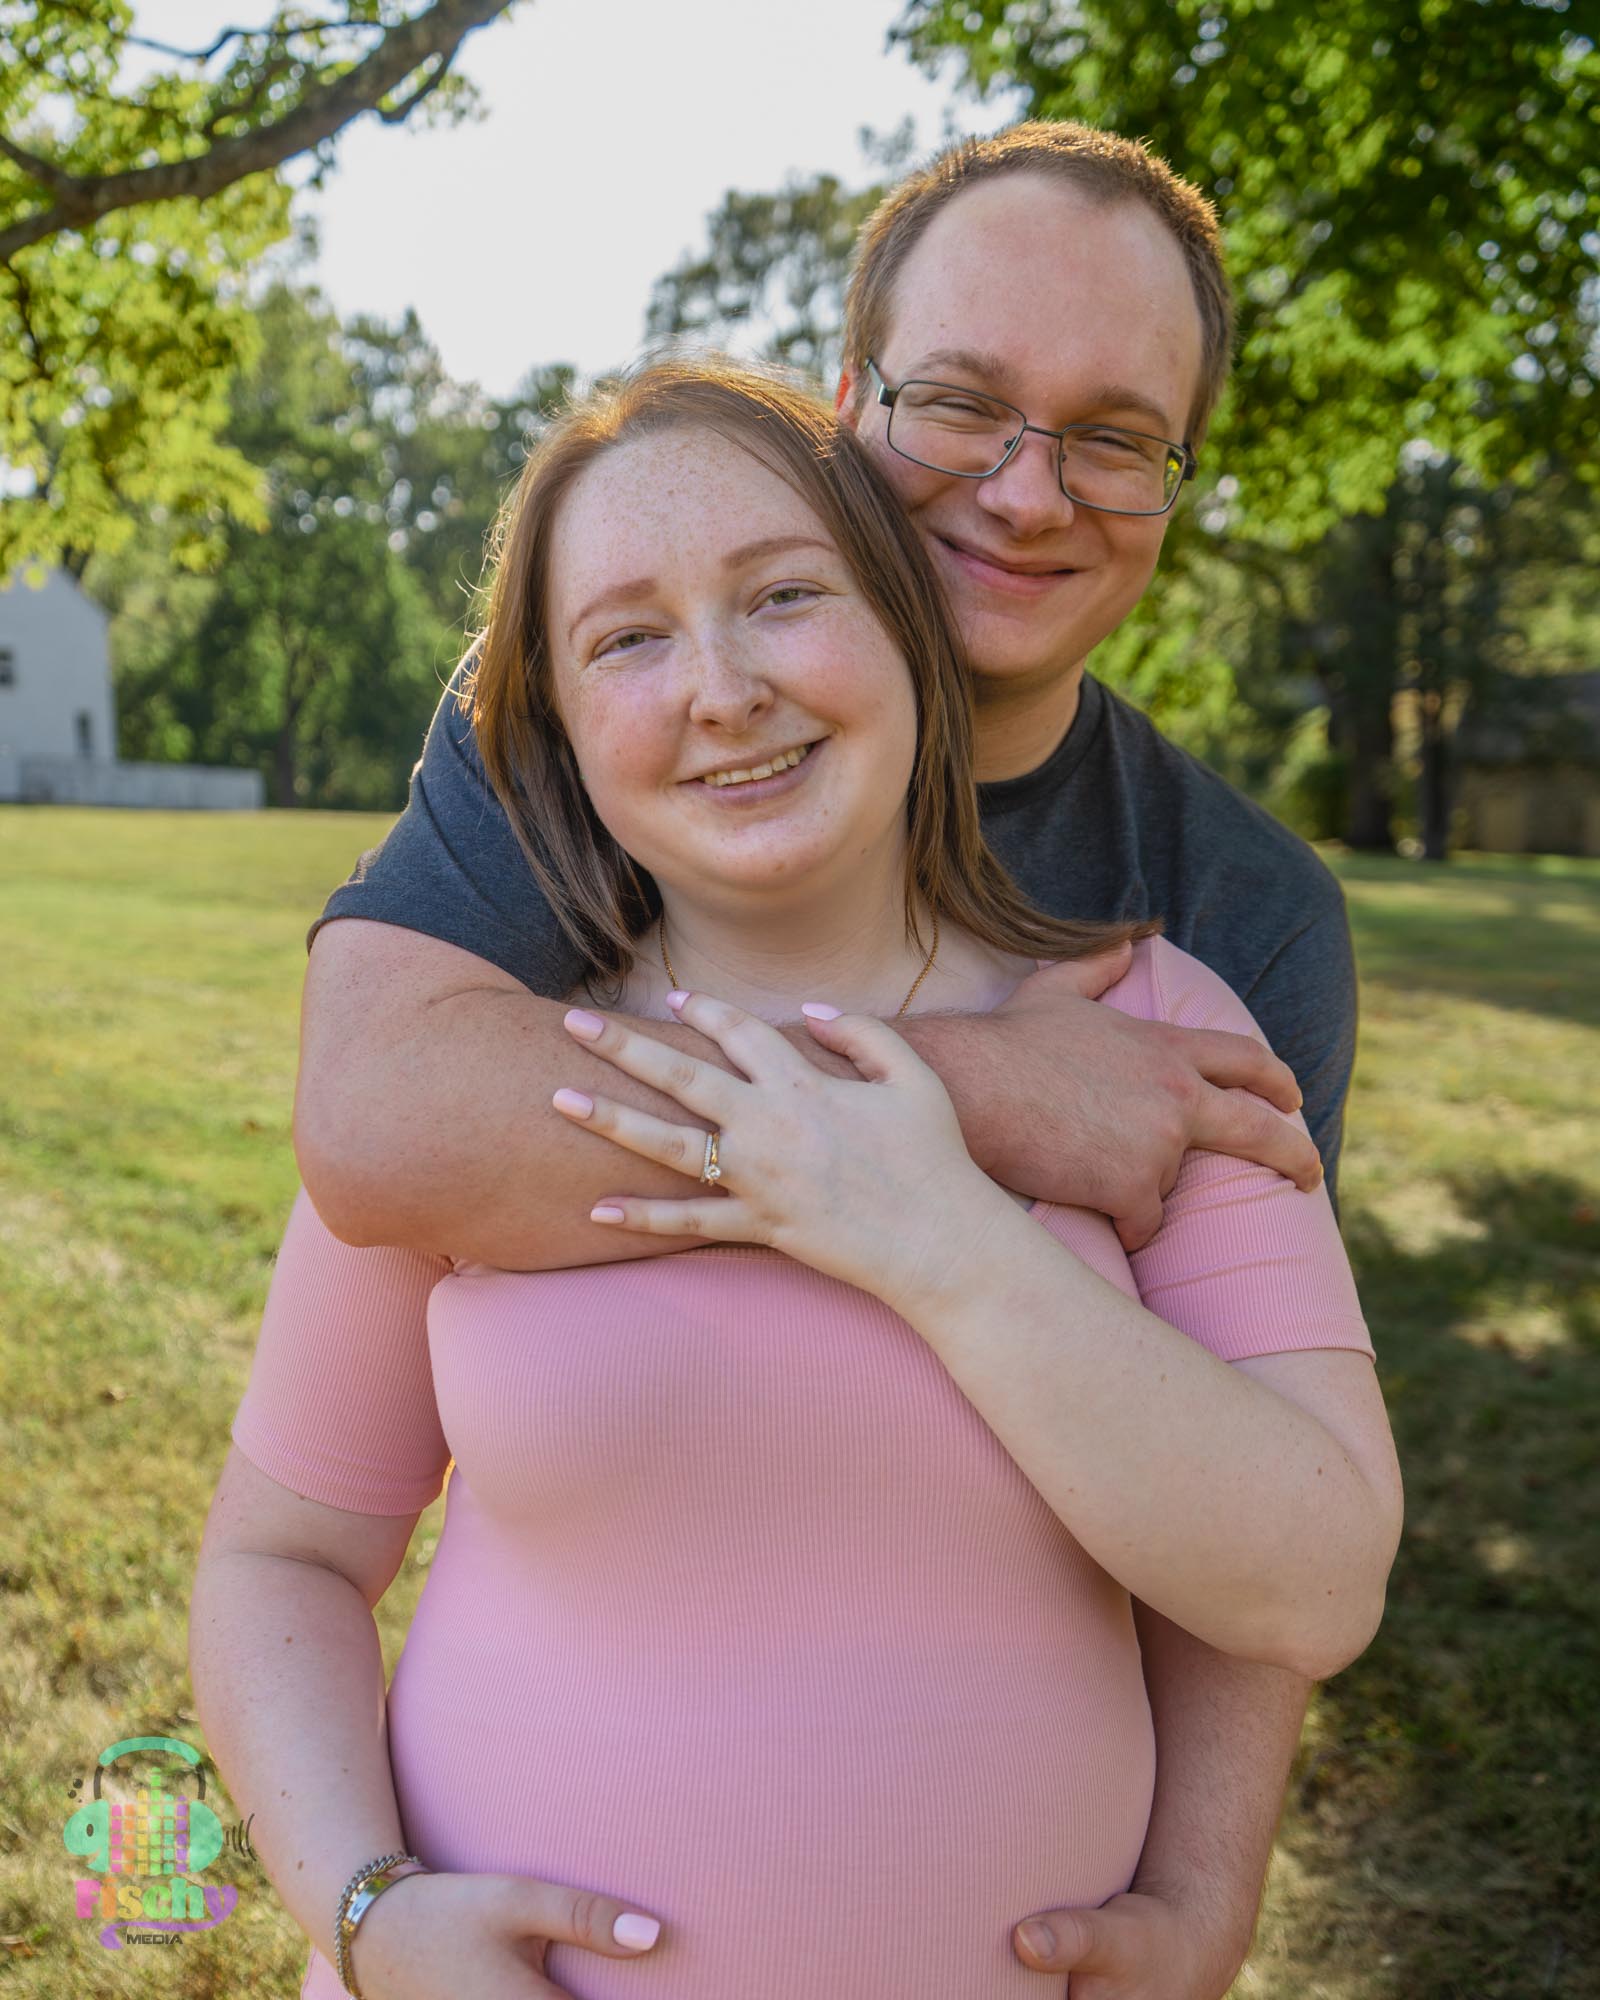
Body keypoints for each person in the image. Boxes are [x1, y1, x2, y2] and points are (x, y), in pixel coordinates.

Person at [229, 120, 1373, 1997]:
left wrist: (1206, 1884)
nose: (1026, 492)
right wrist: (968, 1103)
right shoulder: (564, 761)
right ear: (852, 409)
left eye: (1112, 434)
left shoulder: (1224, 928)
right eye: (962, 405)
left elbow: (1275, 1530)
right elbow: (376, 1136)